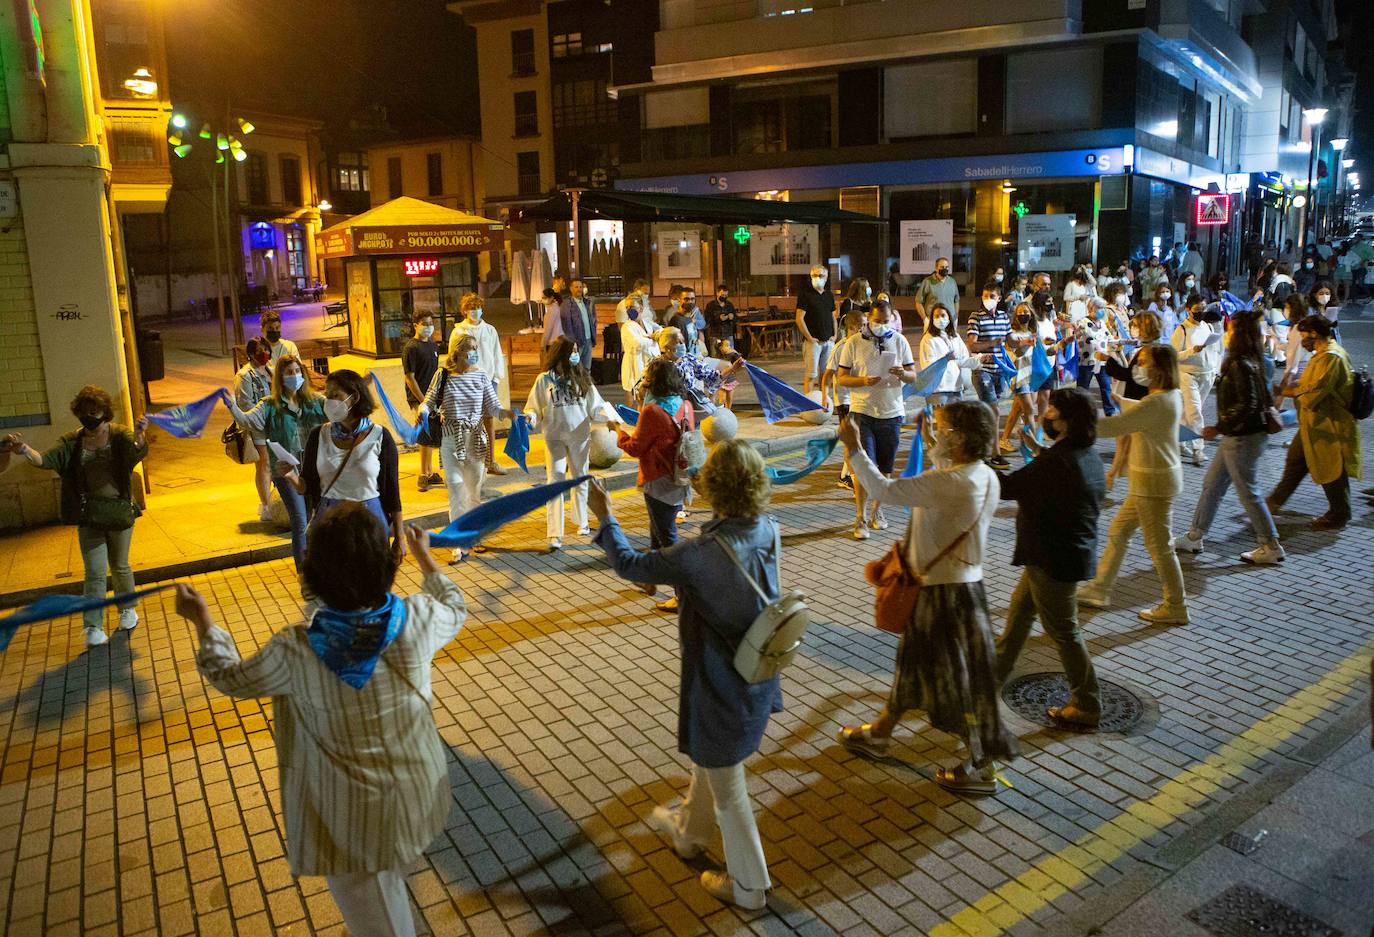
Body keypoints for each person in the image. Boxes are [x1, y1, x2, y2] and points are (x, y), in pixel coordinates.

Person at [178, 508, 465, 937]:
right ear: (383, 565)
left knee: (377, 913)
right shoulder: (418, 619)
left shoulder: (294, 651)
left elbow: (230, 676)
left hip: (353, 820)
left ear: (316, 572)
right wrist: (426, 558)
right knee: (393, 868)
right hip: (418, 791)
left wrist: (202, 620)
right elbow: (455, 606)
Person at [586, 442, 781, 910]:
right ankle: (690, 838)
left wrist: (606, 514)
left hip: (720, 685)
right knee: (712, 764)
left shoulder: (700, 553)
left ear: (715, 487)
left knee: (728, 789)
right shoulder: (766, 527)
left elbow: (631, 566)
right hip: (755, 673)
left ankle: (751, 888)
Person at [836, 402, 1016, 793]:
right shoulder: (983, 475)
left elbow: (884, 489)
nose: (937, 430)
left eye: (944, 427)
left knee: (955, 682)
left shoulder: (952, 483)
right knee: (912, 668)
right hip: (963, 588)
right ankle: (881, 734)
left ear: (962, 438)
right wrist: (935, 441)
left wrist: (853, 447)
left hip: (943, 596)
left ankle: (981, 766)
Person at [995, 388, 1106, 728]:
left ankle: (1087, 703)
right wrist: (1037, 450)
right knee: (1017, 621)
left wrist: (970, 463)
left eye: (1053, 410)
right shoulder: (1083, 453)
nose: (1047, 414)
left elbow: (1007, 487)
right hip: (1056, 554)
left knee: (1064, 631)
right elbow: (1051, 473)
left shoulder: (1058, 462)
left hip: (1054, 558)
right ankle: (988, 681)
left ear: (1067, 420)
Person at [9, 386, 148, 648]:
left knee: (120, 565)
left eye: (94, 411)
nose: (89, 417)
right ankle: (92, 626)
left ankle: (127, 609)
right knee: (94, 572)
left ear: (104, 411)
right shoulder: (72, 442)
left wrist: (140, 436)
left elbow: (135, 452)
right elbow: (46, 460)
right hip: (88, 515)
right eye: (84, 412)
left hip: (118, 510)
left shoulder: (118, 435)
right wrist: (24, 449)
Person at [1078, 344, 1190, 624]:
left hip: (1152, 484)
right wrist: (1122, 401)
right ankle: (1099, 589)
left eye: (1144, 362)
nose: (1138, 367)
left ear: (1160, 368)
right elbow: (1143, 413)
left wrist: (1075, 424)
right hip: (1150, 482)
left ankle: (1175, 605)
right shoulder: (1169, 396)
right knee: (1119, 531)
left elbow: (1118, 426)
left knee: (1160, 547)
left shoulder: (1157, 402)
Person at [1176, 311, 1284, 564]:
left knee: (1248, 492)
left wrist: (1219, 426)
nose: (1226, 334)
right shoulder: (1257, 360)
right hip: (1239, 436)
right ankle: (1195, 536)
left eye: (1231, 330)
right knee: (1212, 485)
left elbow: (1248, 404)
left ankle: (1270, 545)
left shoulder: (1240, 364)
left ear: (1241, 335)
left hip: (1242, 437)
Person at [279, 369, 405, 566]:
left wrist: (400, 537)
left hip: (370, 523)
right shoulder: (318, 435)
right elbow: (308, 486)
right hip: (330, 523)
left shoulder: (380, 436)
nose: (328, 400)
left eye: (335, 395)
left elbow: (392, 493)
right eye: (327, 394)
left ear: (354, 397)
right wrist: (291, 476)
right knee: (335, 588)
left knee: (370, 587)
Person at [224, 356, 326, 568]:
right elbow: (246, 420)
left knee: (309, 519)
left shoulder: (314, 401)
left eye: (298, 371)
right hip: (285, 472)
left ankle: (314, 565)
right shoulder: (269, 406)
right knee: (299, 521)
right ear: (280, 377)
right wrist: (231, 406)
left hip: (311, 470)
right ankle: (303, 571)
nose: (295, 376)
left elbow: (338, 409)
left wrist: (359, 388)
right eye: (289, 372)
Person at [420, 334, 510, 561]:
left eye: (476, 348)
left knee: (473, 492)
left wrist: (507, 413)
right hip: (451, 437)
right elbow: (429, 400)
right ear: (457, 352)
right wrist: (421, 412)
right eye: (470, 348)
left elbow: (493, 405)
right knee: (456, 489)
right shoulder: (443, 375)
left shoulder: (481, 375)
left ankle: (474, 536)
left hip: (475, 439)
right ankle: (458, 542)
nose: (474, 352)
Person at [616, 358, 695, 612]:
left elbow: (635, 448)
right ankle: (649, 581)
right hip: (678, 479)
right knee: (656, 534)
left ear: (654, 382)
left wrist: (617, 431)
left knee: (668, 541)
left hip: (658, 482)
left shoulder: (652, 412)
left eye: (647, 377)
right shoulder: (684, 405)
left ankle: (683, 595)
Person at [523, 337, 617, 551]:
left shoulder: (581, 377)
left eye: (576, 351)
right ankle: (555, 533)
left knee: (580, 478)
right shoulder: (544, 380)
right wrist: (530, 418)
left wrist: (609, 417)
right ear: (560, 354)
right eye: (572, 351)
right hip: (554, 437)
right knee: (555, 482)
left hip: (579, 436)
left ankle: (582, 522)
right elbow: (533, 407)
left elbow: (596, 406)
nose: (576, 355)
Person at [1267, 315, 1360, 530]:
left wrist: (1285, 391)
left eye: (1304, 337)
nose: (1303, 342)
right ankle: (1273, 502)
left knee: (1332, 470)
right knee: (1295, 461)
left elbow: (1314, 393)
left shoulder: (1331, 357)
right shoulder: (1323, 354)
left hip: (1328, 425)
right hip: (1313, 424)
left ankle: (1340, 513)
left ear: (1314, 334)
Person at [832, 300, 916, 539]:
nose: (881, 325)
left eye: (885, 321)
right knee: (862, 467)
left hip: (892, 412)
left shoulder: (899, 341)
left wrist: (903, 374)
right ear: (869, 317)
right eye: (877, 321)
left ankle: (877, 513)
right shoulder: (854, 343)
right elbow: (841, 378)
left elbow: (913, 376)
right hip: (862, 412)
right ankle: (860, 517)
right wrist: (862, 381)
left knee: (885, 468)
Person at [449, 292, 510, 476]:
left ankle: (491, 460)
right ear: (464, 311)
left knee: (488, 420)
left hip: (488, 381)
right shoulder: (459, 332)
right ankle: (469, 463)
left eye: (477, 307)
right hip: (466, 382)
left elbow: (496, 354)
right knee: (467, 423)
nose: (475, 311)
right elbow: (453, 356)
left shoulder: (490, 330)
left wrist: (496, 378)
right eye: (471, 308)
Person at [966, 282, 1013, 468]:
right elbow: (972, 345)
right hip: (982, 370)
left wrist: (1028, 340)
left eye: (992, 296)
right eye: (985, 296)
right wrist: (992, 344)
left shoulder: (1003, 317)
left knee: (987, 413)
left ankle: (978, 450)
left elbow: (1012, 342)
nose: (988, 300)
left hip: (999, 370)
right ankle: (995, 454)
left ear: (999, 298)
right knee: (994, 410)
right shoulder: (975, 317)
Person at [1172, 295, 1222, 466]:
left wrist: (1216, 370)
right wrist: (1191, 351)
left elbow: (1216, 350)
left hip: (1207, 374)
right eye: (1197, 309)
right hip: (1188, 375)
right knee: (1195, 412)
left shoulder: (1208, 326)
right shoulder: (1182, 330)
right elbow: (1173, 355)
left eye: (1203, 308)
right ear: (1188, 309)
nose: (1201, 312)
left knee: (1189, 412)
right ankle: (1198, 449)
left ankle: (1179, 442)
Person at [234, 336, 276, 521]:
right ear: (250, 354)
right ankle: (266, 505)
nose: (264, 354)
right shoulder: (245, 376)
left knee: (277, 463)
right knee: (264, 464)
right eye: (259, 351)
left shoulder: (272, 371)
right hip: (259, 426)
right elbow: (245, 405)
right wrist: (261, 418)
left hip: (277, 424)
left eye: (266, 349)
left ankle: (275, 501)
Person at [402, 311, 443, 491]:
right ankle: (423, 474)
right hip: (420, 399)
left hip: (433, 398)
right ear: (415, 325)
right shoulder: (411, 348)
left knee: (432, 434)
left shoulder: (433, 346)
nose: (428, 327)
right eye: (424, 323)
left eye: (430, 323)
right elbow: (410, 378)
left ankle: (430, 471)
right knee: (424, 435)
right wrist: (423, 401)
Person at [918, 303, 978, 408]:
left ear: (949, 318)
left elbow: (962, 360)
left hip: (956, 387)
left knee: (956, 423)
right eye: (936, 316)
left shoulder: (955, 337)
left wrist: (979, 360)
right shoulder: (928, 339)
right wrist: (945, 360)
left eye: (943, 315)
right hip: (938, 390)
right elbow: (928, 366)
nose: (940, 319)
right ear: (931, 319)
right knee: (940, 423)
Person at [796, 265, 836, 394]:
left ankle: (825, 401)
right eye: (814, 275)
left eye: (821, 275)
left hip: (828, 341)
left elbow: (833, 317)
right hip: (813, 342)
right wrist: (808, 337)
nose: (817, 278)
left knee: (826, 374)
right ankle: (809, 403)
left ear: (826, 278)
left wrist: (834, 336)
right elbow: (799, 318)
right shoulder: (805, 294)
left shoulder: (828, 295)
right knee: (811, 374)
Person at [1075, 300, 1119, 417]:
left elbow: (1109, 337)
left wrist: (1116, 343)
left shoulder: (1102, 323)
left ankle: (1110, 412)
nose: (1101, 311)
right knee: (1083, 390)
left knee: (1106, 387)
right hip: (1086, 361)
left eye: (1103, 308)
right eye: (1099, 308)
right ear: (1091, 308)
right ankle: (1081, 414)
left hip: (1101, 361)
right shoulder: (1083, 322)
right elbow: (1077, 335)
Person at [619, 292, 660, 406]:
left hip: (650, 361)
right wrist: (652, 338)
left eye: (632, 307)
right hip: (634, 361)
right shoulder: (627, 326)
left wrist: (654, 336)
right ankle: (633, 417)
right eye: (627, 307)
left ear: (641, 308)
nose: (629, 310)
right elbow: (637, 343)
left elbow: (661, 331)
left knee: (648, 393)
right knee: (634, 390)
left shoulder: (647, 323)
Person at [559, 277, 597, 366]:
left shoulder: (586, 302)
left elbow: (591, 320)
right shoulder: (567, 304)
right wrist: (572, 342)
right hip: (577, 342)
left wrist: (593, 336)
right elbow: (567, 325)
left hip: (588, 340)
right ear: (571, 289)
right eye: (576, 287)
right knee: (574, 369)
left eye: (580, 287)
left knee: (587, 369)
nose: (579, 289)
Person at [913, 257, 959, 328]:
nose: (945, 269)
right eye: (942, 267)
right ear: (936, 268)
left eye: (947, 267)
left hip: (950, 322)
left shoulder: (952, 282)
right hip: (933, 321)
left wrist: (955, 317)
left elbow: (956, 301)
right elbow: (918, 302)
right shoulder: (927, 282)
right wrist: (925, 319)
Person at [703, 283, 737, 356]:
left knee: (730, 355)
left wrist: (732, 318)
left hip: (728, 333)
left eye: (726, 295)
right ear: (717, 293)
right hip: (715, 334)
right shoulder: (711, 305)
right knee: (715, 356)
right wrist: (718, 318)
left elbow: (736, 319)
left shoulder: (729, 305)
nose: (724, 296)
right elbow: (707, 320)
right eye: (722, 294)